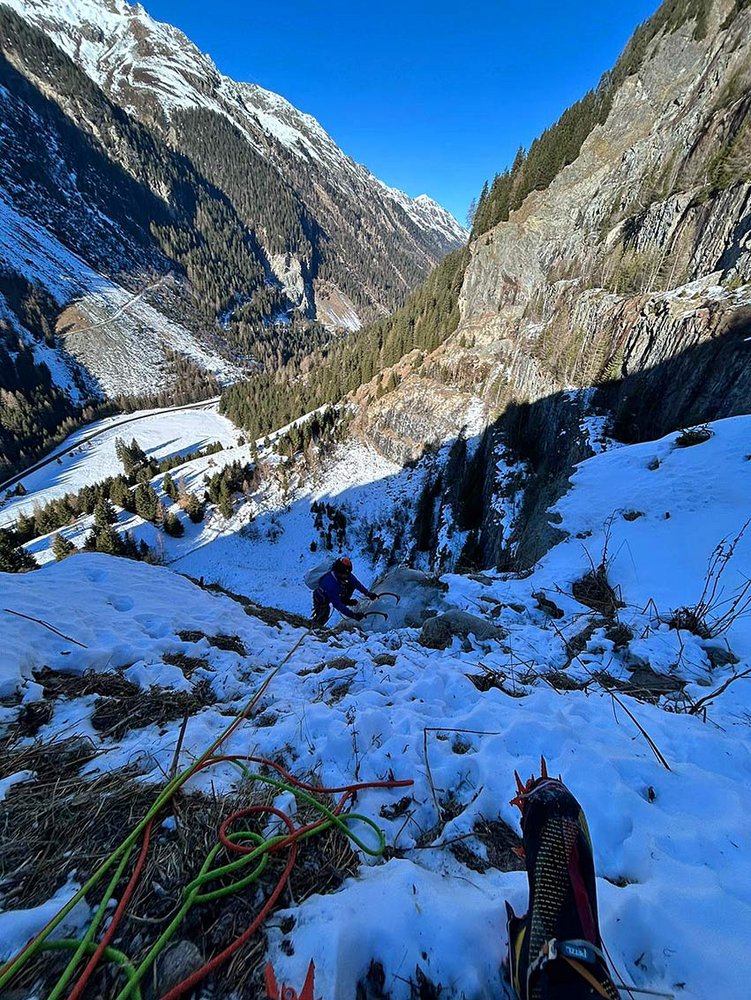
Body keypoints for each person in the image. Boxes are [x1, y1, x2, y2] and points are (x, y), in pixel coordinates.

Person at [311, 557, 377, 629]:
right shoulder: (330, 584)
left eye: (348, 573)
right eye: (345, 574)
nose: (347, 576)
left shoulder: (345, 574)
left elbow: (356, 583)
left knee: (350, 585)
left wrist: (368, 593)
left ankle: (344, 600)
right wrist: (353, 615)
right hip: (321, 599)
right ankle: (314, 628)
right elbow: (337, 605)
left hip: (335, 593)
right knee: (324, 613)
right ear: (339, 572)